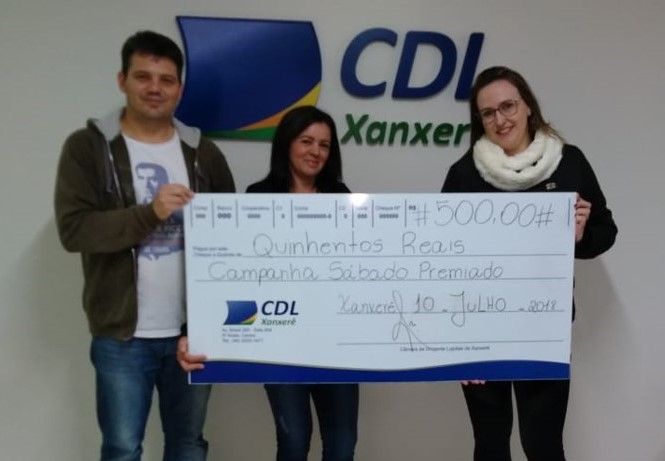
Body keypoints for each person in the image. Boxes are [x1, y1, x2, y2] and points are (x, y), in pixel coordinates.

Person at [54, 30, 236, 461]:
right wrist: (149, 213)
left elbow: (232, 236)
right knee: (122, 448)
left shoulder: (203, 154)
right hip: (121, 336)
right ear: (122, 81)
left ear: (180, 89)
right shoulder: (87, 148)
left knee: (188, 444)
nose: (155, 88)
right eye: (143, 76)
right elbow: (74, 230)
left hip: (192, 332)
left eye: (166, 79)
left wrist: (215, 322)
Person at [441, 66, 617, 461]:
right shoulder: (464, 174)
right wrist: (455, 344)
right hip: (480, 332)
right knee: (490, 444)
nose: (500, 119)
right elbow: (445, 262)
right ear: (479, 120)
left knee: (543, 444)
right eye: (488, 113)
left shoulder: (568, 162)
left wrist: (580, 235)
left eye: (508, 106)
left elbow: (605, 232)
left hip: (543, 327)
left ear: (528, 107)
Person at [179, 105, 358, 461]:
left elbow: (359, 270)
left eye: (324, 144)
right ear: (287, 144)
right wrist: (196, 331)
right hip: (280, 342)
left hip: (335, 344)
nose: (316, 151)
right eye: (306, 141)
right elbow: (230, 273)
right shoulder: (258, 197)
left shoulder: (343, 198)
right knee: (294, 441)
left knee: (342, 446)